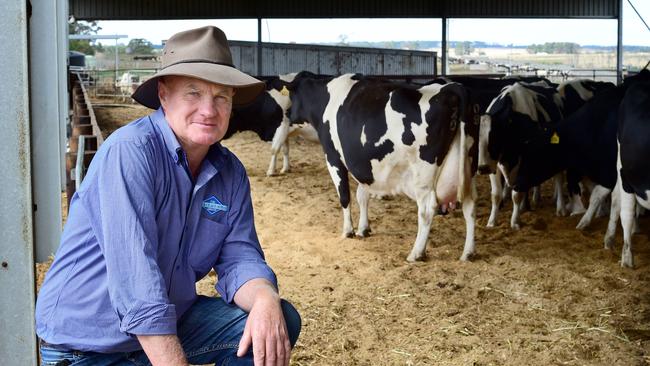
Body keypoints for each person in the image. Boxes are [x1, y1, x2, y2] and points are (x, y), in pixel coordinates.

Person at [35, 26, 301, 366]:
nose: (209, 110)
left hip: (171, 324)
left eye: (221, 96)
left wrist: (265, 298)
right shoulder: (131, 152)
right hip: (89, 346)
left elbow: (239, 257)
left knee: (279, 319)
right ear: (163, 95)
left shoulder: (230, 172)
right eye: (193, 93)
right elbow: (137, 283)